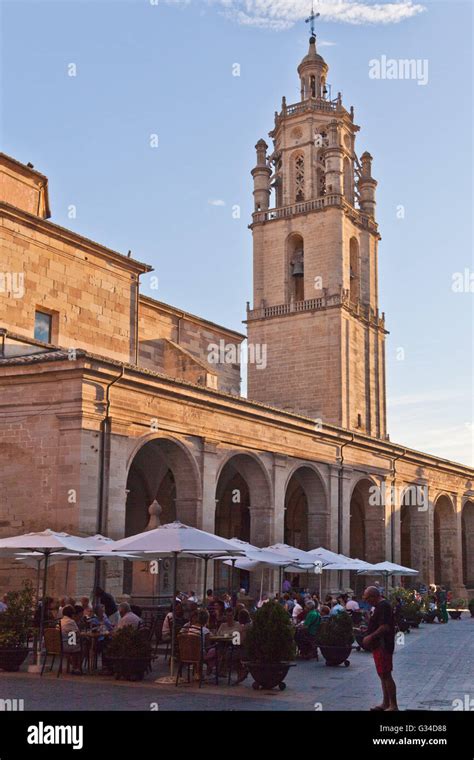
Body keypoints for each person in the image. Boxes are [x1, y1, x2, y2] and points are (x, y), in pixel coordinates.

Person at [362, 586, 398, 712]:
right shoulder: (380, 606)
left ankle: (393, 705)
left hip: (383, 645)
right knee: (382, 674)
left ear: (373, 596)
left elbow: (385, 627)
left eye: (367, 598)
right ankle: (385, 703)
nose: (366, 601)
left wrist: (370, 636)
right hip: (378, 645)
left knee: (386, 674)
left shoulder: (383, 606)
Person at [59, 605, 82, 675]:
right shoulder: (71, 622)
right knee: (82, 647)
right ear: (72, 614)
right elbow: (78, 634)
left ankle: (74, 666)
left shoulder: (60, 621)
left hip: (60, 644)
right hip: (67, 645)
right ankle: (77, 667)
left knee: (75, 644)